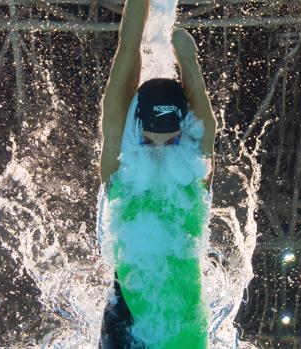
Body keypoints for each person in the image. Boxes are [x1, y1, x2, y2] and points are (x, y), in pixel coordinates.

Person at [97, 0, 216, 346]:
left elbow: (205, 121)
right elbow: (127, 49)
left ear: (183, 133)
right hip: (127, 320)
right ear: (136, 132)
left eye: (171, 141)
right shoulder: (122, 164)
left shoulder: (193, 170)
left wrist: (188, 60)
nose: (161, 150)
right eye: (150, 141)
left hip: (185, 328)